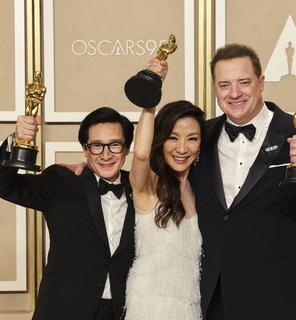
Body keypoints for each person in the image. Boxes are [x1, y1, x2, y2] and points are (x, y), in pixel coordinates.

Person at [189, 43, 296, 320]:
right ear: (215, 89)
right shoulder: (201, 136)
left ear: (261, 83)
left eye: (243, 82)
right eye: (224, 85)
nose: (234, 93)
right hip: (215, 298)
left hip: (281, 296)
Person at [0, 107, 135, 320]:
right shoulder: (62, 181)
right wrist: (16, 141)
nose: (106, 155)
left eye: (115, 145)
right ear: (85, 149)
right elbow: (4, 185)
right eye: (97, 146)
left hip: (125, 311)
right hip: (64, 309)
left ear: (127, 149)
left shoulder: (143, 188)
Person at [124, 97, 204, 320]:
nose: (181, 148)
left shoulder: (197, 189)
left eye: (192, 139)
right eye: (172, 138)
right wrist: (149, 100)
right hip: (150, 306)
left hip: (190, 307)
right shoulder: (149, 185)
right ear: (160, 140)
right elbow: (140, 155)